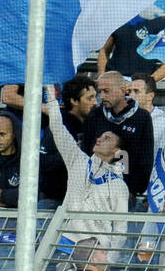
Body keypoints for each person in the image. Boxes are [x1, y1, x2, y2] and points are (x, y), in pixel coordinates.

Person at [48, 89, 131, 260]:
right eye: (100, 137)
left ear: (117, 151)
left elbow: (121, 228)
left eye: (106, 138)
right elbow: (58, 129)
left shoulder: (118, 185)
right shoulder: (77, 160)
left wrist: (108, 261)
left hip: (97, 250)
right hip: (66, 244)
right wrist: (51, 98)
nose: (99, 139)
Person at [82, 71, 154, 203]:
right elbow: (86, 153)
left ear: (122, 90)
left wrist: (132, 190)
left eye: (106, 91)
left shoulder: (142, 117)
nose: (102, 96)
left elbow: (146, 159)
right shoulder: (95, 116)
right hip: (94, 192)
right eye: (100, 92)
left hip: (126, 193)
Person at [97, 9, 165, 83]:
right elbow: (104, 50)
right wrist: (102, 77)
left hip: (142, 82)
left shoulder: (158, 23)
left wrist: (148, 83)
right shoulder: (118, 20)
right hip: (115, 81)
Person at [125, 73, 165, 149]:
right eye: (129, 91)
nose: (131, 96)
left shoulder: (163, 125)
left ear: (150, 96)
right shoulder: (123, 120)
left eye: (136, 91)